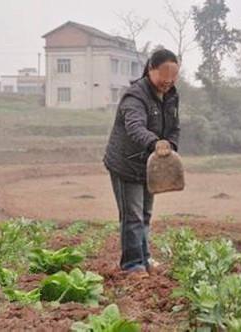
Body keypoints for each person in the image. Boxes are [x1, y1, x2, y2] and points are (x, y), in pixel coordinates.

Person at [102, 48, 180, 278]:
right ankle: (132, 265)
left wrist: (171, 146)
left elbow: (174, 127)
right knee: (132, 215)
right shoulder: (135, 96)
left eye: (173, 77)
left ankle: (144, 258)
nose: (168, 81)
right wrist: (155, 143)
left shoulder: (171, 95)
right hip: (126, 164)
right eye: (163, 76)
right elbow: (135, 127)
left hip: (149, 164)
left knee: (145, 214)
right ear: (150, 70)